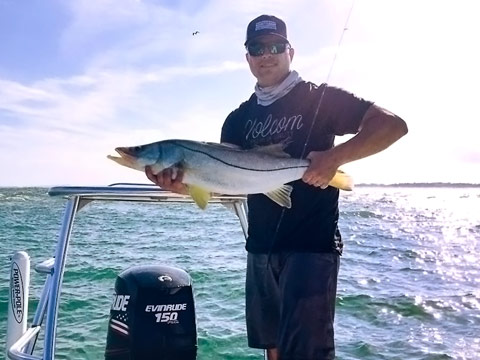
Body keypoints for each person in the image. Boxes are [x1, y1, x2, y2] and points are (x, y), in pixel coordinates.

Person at [146, 14, 408, 360]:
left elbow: (392, 126)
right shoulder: (237, 119)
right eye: (257, 48)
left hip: (311, 248)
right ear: (247, 57)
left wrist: (334, 158)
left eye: (275, 46)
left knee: (306, 353)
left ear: (291, 51)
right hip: (261, 248)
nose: (266, 54)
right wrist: (186, 185)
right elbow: (230, 184)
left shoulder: (321, 98)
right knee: (273, 350)